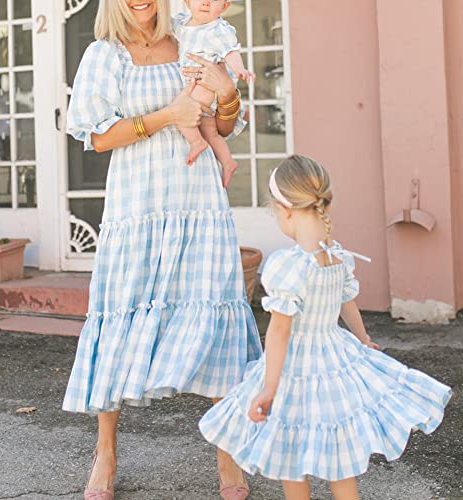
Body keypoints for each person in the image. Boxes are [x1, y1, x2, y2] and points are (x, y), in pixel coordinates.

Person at [62, 1, 262, 499]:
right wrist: (168, 115)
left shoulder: (194, 39)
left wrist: (230, 93)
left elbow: (226, 124)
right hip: (137, 210)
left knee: (215, 318)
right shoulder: (105, 55)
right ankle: (105, 452)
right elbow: (99, 137)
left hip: (199, 204)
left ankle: (228, 455)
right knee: (119, 314)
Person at [199, 155, 452, 500]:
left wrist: (269, 388)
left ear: (285, 210)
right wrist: (363, 340)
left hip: (294, 370)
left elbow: (280, 332)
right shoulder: (336, 255)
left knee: (291, 461)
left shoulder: (288, 266)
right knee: (340, 462)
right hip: (335, 357)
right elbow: (346, 302)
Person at [172, 0, 255, 187]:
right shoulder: (181, 23)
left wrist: (240, 69)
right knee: (210, 129)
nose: (206, 3)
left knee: (182, 116)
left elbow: (231, 52)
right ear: (187, 2)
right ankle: (228, 162)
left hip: (205, 84)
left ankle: (196, 142)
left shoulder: (218, 29)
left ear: (225, 7)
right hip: (195, 83)